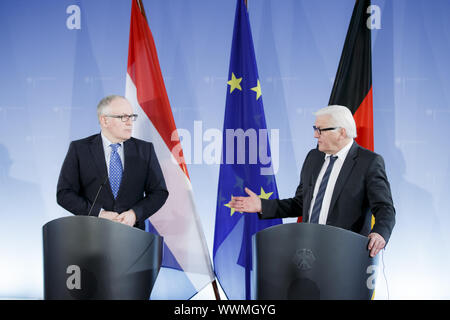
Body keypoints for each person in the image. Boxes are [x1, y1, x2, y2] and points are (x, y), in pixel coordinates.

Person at [230, 105, 395, 257]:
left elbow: (385, 208)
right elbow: (301, 203)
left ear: (341, 132)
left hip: (345, 256)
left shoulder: (368, 162)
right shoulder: (313, 157)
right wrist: (262, 205)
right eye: (315, 129)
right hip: (308, 253)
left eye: (320, 130)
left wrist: (380, 233)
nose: (315, 135)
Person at [57, 95, 168, 230]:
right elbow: (64, 193)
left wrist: (134, 214)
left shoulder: (145, 150)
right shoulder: (80, 149)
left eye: (132, 117)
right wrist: (98, 214)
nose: (129, 122)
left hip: (133, 235)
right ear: (104, 120)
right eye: (123, 117)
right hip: (91, 235)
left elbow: (159, 192)